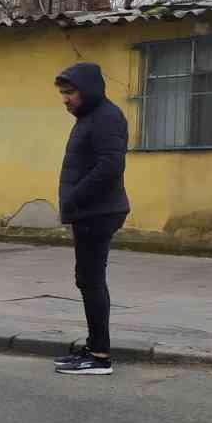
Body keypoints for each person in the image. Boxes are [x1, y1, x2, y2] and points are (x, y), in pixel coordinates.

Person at [53, 61, 131, 377]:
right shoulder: (91, 117)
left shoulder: (106, 118)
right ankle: (94, 347)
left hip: (97, 212)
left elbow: (110, 167)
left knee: (91, 280)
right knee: (87, 280)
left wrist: (74, 199)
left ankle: (99, 356)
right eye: (63, 93)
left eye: (70, 92)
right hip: (91, 211)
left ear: (88, 90)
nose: (65, 99)